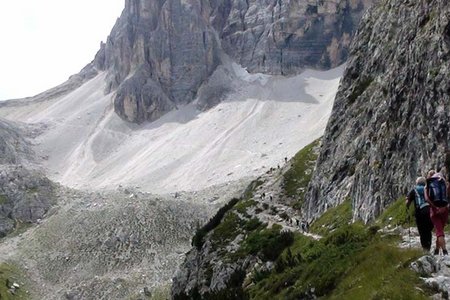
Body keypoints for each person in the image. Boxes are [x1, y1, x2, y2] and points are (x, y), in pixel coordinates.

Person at [425, 170, 449, 255]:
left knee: (439, 231)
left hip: (434, 211)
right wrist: (445, 207)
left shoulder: (428, 185)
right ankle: (436, 249)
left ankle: (445, 251)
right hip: (445, 210)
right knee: (440, 230)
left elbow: (427, 199)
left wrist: (435, 207)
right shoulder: (445, 183)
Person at [406, 177, 433, 251]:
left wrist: (407, 206)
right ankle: (429, 246)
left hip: (419, 212)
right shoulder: (428, 188)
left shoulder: (414, 190)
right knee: (428, 230)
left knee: (422, 231)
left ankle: (425, 248)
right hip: (430, 211)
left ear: (417, 183)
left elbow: (407, 202)